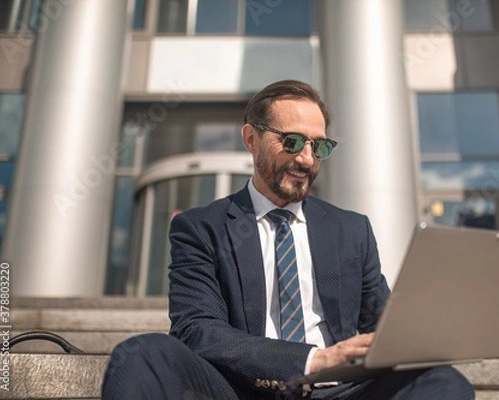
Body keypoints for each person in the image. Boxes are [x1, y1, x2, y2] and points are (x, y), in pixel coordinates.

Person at [102, 80, 474, 399]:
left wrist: (426, 329)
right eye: (293, 142)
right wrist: (314, 358)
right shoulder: (202, 228)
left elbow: (383, 326)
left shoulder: (351, 229)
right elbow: (197, 330)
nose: (308, 159)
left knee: (441, 382)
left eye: (319, 146)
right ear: (251, 138)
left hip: (339, 391)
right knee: (143, 354)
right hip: (240, 389)